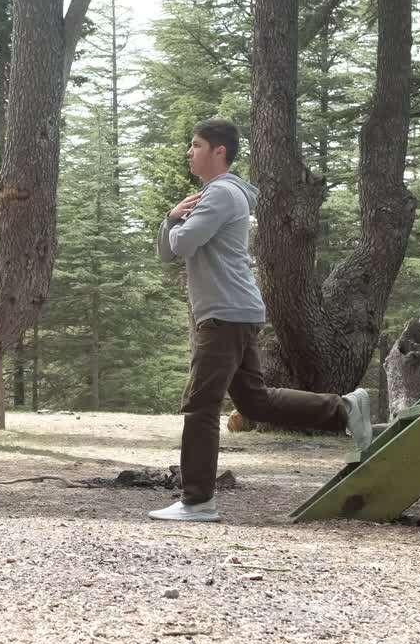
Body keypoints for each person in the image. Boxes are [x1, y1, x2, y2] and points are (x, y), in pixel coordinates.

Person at [149, 118, 372, 523]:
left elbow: (181, 245)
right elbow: (168, 249)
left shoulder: (220, 194)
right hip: (232, 310)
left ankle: (197, 501)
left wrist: (172, 220)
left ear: (219, 152)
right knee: (254, 400)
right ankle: (343, 409)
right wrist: (171, 220)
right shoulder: (212, 194)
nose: (189, 151)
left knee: (200, 405)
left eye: (196, 145)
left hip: (225, 313)